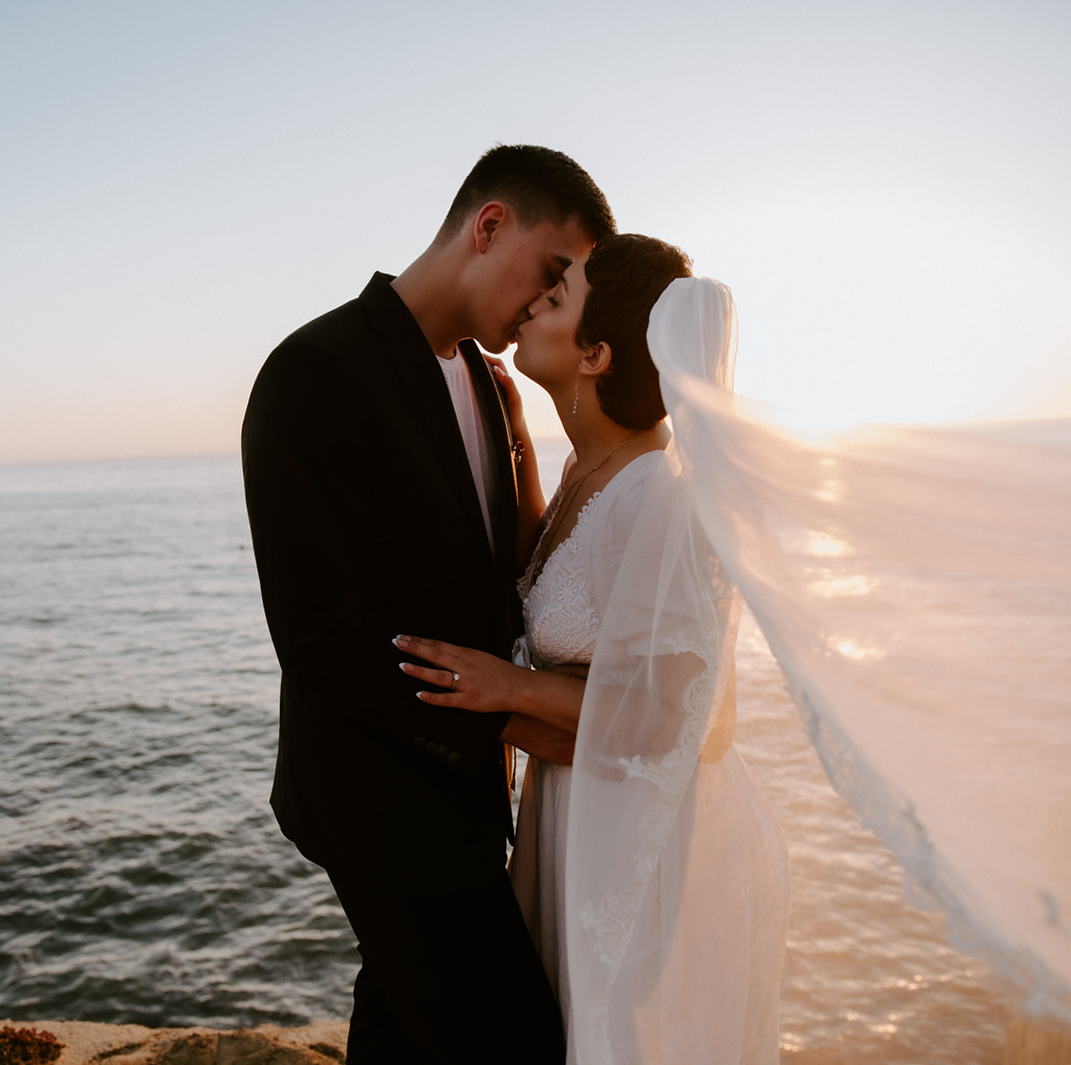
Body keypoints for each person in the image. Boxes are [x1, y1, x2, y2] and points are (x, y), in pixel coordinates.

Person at [240, 145, 615, 1064]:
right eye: (552, 270)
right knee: (513, 1037)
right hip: (376, 793)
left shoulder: (494, 388)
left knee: (406, 1029)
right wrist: (503, 719)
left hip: (472, 800)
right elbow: (321, 639)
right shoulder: (314, 369)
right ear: (488, 225)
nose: (546, 300)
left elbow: (517, 581)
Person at [394, 234, 791, 1064]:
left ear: (597, 353)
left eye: (557, 296)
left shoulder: (656, 495)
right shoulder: (594, 466)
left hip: (646, 835)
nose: (534, 303)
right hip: (577, 808)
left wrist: (507, 688)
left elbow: (666, 715)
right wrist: (519, 447)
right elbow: (561, 579)